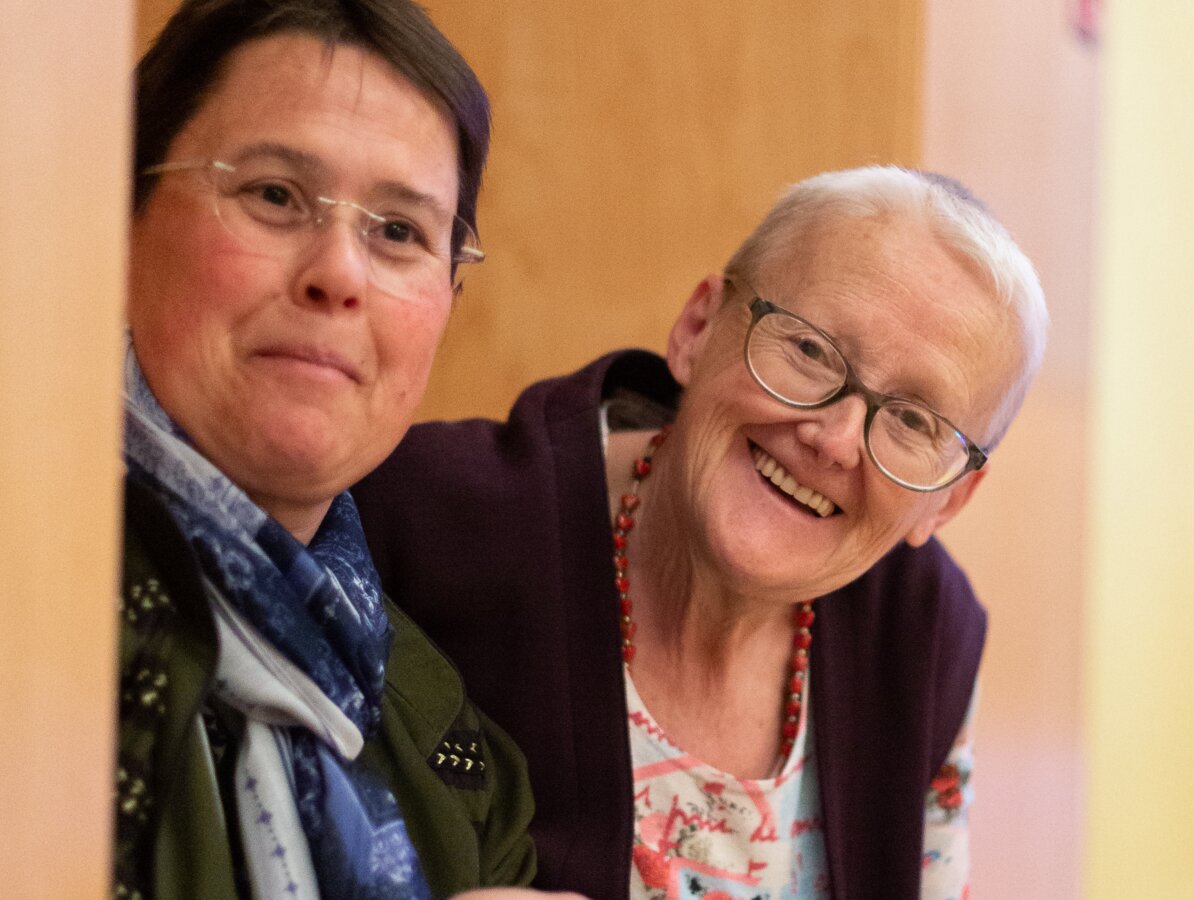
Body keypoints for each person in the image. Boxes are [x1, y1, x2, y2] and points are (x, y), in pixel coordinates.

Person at [353, 166, 1048, 898]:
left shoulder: (921, 630)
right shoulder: (414, 524)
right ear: (697, 329)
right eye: (811, 351)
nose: (836, 440)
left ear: (950, 499)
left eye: (913, 420)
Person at [115, 1, 582, 897]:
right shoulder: (37, 620)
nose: (338, 274)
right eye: (274, 195)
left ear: (448, 299)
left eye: (398, 231)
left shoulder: (456, 752)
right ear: (120, 216)